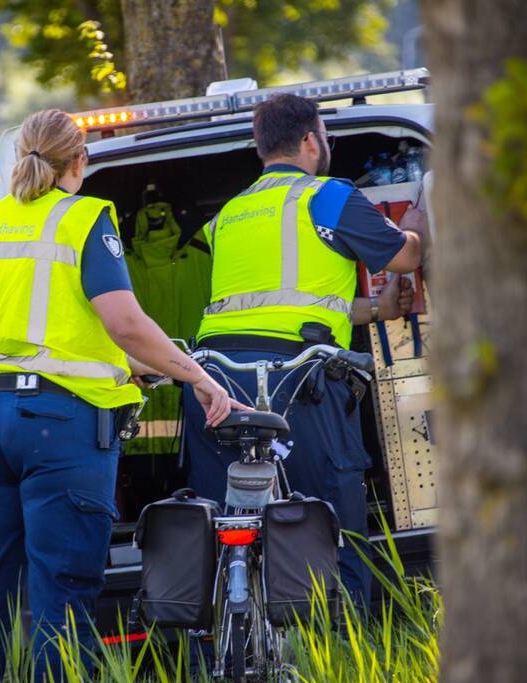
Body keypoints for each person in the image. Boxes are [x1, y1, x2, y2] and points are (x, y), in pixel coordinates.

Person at [0, 109, 242, 683]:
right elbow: (125, 322)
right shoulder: (85, 218)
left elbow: (40, 334)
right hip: (57, 429)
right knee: (62, 600)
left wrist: (131, 368)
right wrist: (198, 378)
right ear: (80, 162)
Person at [182, 93, 428, 613]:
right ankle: (339, 641)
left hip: (215, 385)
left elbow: (274, 305)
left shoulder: (228, 214)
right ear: (312, 140)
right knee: (331, 519)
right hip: (296, 385)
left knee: (225, 525)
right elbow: (406, 255)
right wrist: (422, 216)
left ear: (260, 146)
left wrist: (374, 311)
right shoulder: (328, 197)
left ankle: (227, 638)